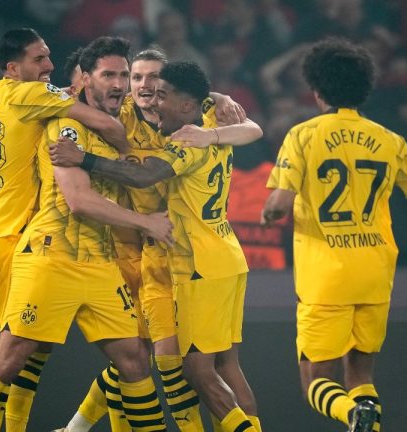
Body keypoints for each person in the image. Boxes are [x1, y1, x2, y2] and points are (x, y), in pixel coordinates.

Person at [0, 36, 171, 432]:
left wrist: (216, 101)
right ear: (85, 79)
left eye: (124, 74)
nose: (119, 83)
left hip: (98, 261)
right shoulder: (65, 124)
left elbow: (170, 96)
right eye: (109, 75)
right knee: (7, 358)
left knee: (135, 359)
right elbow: (79, 200)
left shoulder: (54, 102)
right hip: (48, 252)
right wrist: (146, 220)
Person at [50, 60, 263, 432]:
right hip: (216, 255)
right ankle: (75, 429)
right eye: (138, 79)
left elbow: (145, 174)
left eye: (160, 89)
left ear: (183, 102)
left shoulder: (187, 138)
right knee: (216, 365)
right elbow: (245, 126)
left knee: (194, 372)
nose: (151, 95)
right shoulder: (207, 122)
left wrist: (83, 158)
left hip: (195, 262)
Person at [260, 37, 407, 432]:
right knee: (361, 376)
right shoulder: (389, 139)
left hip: (326, 276)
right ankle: (364, 420)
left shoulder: (303, 135)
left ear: (316, 89)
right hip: (376, 273)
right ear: (365, 88)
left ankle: (350, 416)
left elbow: (277, 204)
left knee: (316, 384)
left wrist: (266, 216)